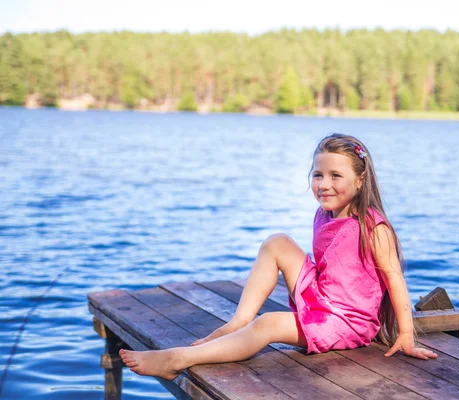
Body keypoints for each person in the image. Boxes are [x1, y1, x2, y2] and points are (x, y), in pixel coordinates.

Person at [120, 133, 437, 380]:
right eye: (318, 175)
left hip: (346, 321)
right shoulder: (324, 215)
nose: (324, 185)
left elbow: (394, 280)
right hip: (323, 299)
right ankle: (238, 322)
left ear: (360, 179)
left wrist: (406, 334)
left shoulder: (372, 228)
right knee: (277, 242)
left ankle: (176, 359)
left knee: (269, 324)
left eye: (335, 176)